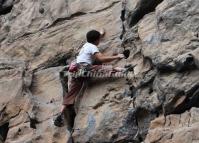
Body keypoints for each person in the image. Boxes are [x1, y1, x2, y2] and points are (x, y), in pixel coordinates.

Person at [54, 29, 125, 130]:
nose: (99, 40)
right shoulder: (92, 47)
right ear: (96, 40)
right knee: (101, 69)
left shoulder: (86, 44)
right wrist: (117, 56)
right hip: (83, 69)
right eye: (99, 39)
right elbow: (101, 59)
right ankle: (122, 70)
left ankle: (59, 115)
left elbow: (94, 37)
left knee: (71, 94)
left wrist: (100, 33)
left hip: (75, 71)